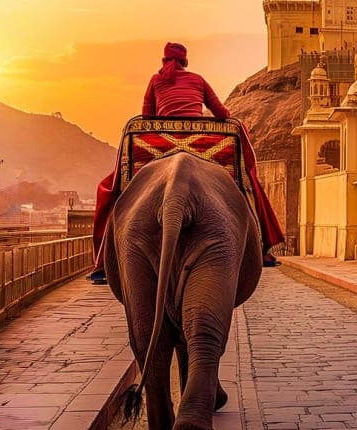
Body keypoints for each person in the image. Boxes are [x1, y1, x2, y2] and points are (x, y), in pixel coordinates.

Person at [88, 42, 282, 283]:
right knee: (248, 184)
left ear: (164, 60)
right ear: (185, 61)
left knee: (112, 191)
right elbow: (222, 113)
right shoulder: (197, 79)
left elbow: (147, 116)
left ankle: (104, 262)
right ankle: (261, 247)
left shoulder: (156, 80)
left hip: (159, 148)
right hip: (205, 147)